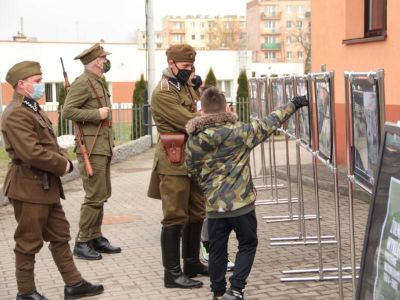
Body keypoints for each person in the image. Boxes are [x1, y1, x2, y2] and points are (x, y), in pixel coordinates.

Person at [185, 87, 308, 300]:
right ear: (226, 107)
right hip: (242, 205)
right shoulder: (241, 132)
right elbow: (269, 123)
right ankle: (236, 290)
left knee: (216, 250)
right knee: (248, 244)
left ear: (202, 111)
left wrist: (208, 187)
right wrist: (293, 104)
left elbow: (190, 169)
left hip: (215, 207)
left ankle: (218, 293)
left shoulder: (194, 140)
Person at [1, 61, 104, 300]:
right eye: (37, 81)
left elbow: (46, 143)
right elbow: (31, 153)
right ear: (21, 84)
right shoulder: (15, 112)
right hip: (28, 186)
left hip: (46, 186)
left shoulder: (32, 108)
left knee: (60, 235)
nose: (41, 86)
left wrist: (61, 152)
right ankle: (25, 292)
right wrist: (64, 164)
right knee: (28, 242)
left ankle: (74, 284)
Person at [147, 44, 208, 289]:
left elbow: (195, 107)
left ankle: (192, 262)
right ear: (171, 63)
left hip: (191, 158)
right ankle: (172, 273)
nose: (189, 70)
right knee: (174, 215)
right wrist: (214, 116)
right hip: (174, 159)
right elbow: (189, 121)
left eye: (191, 66)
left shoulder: (184, 86)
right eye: (184, 66)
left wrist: (197, 87)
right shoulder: (163, 92)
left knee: (197, 210)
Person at [62, 43, 121, 260]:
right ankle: (82, 241)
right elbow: (67, 111)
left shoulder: (96, 81)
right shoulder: (84, 83)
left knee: (102, 194)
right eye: (104, 58)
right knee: (94, 195)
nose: (106, 61)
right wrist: (97, 113)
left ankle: (95, 237)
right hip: (91, 148)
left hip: (101, 146)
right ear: (97, 61)